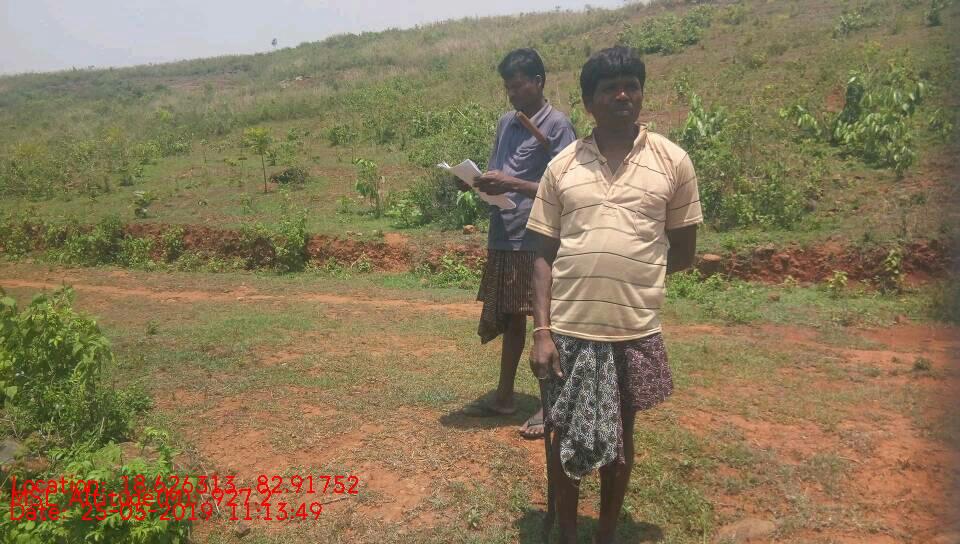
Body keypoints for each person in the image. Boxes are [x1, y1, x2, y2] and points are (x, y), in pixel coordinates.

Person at [526, 46, 701, 543]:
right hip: (567, 330)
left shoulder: (673, 162)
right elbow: (542, 254)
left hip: (632, 330)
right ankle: (566, 532)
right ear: (588, 101)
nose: (623, 95)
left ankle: (605, 533)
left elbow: (683, 250)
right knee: (564, 433)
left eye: (631, 85)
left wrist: (631, 279)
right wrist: (541, 332)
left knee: (620, 437)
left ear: (641, 94)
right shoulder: (562, 166)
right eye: (609, 88)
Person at [462, 48, 577, 441]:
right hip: (504, 232)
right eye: (507, 87)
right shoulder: (506, 122)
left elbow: (567, 186)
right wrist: (479, 181)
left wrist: (511, 184)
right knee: (512, 318)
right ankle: (505, 397)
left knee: (547, 321)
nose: (511, 94)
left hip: (538, 237)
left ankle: (552, 404)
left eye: (518, 86)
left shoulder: (558, 125)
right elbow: (500, 170)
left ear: (538, 82)